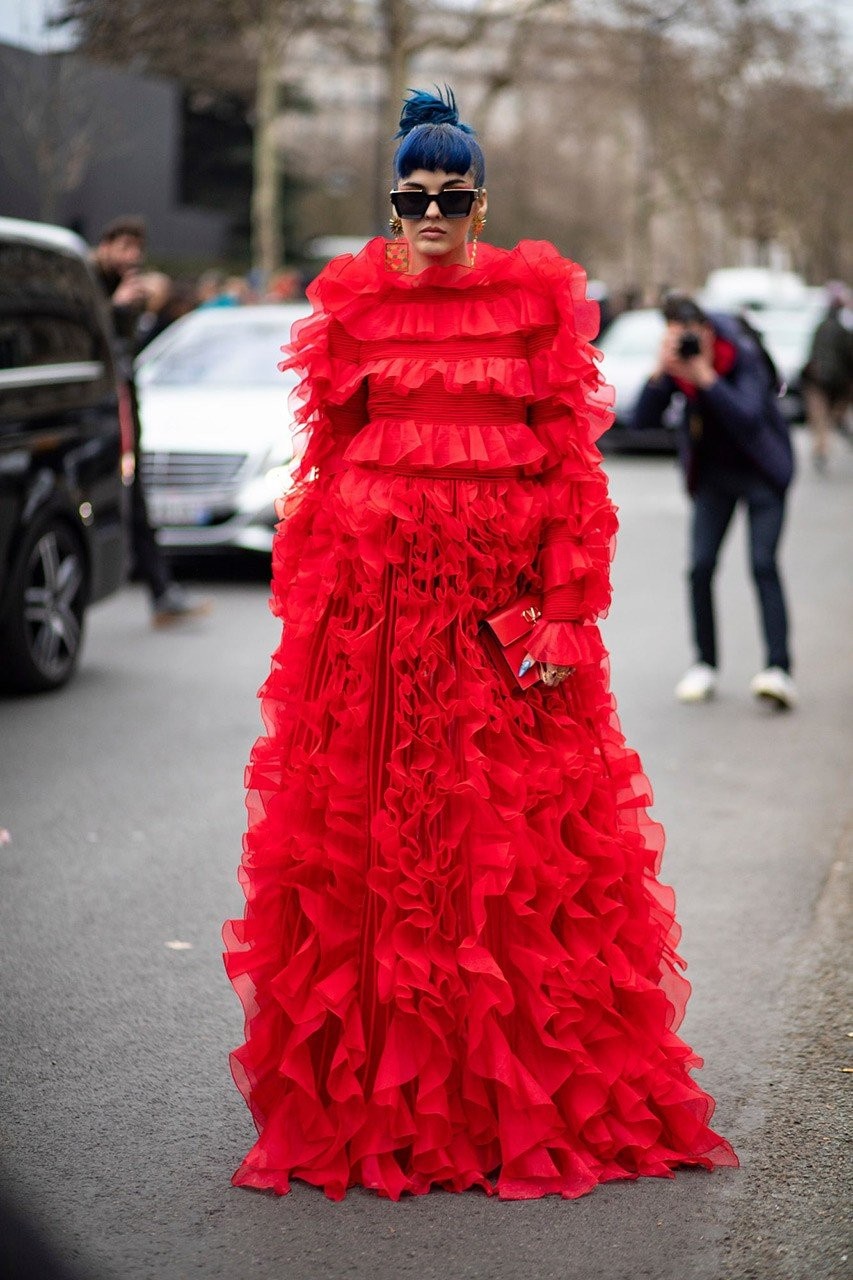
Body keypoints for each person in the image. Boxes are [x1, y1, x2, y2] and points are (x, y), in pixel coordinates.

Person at [223, 88, 737, 1201]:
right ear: (391, 205)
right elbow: (326, 459)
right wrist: (314, 592)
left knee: (504, 844)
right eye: (412, 198)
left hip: (496, 625)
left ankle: (511, 1092)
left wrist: (566, 603)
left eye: (451, 199)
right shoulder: (352, 306)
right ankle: (386, 1095)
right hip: (373, 624)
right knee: (380, 848)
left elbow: (570, 470)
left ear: (481, 206)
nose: (431, 215)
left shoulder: (533, 304)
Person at [633, 294, 795, 708]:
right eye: (675, 337)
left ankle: (778, 669)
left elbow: (749, 417)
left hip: (763, 473)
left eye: (689, 336)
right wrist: (659, 373)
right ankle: (704, 664)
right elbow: (641, 421)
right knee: (700, 567)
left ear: (706, 331)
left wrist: (706, 377)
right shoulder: (679, 365)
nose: (685, 344)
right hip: (713, 478)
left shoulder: (739, 353)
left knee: (763, 564)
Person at [91, 218, 210, 626]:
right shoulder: (86, 279)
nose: (131, 257)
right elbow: (86, 338)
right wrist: (115, 307)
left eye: (137, 249)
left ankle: (161, 590)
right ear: (105, 245)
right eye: (124, 247)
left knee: (135, 496)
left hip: (122, 406)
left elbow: (125, 349)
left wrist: (130, 308)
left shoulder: (128, 289)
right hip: (95, 409)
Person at [802, 283, 853, 470]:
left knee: (821, 419)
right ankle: (823, 448)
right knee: (829, 417)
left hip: (819, 381)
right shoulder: (842, 329)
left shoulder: (822, 327)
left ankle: (821, 449)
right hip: (833, 381)